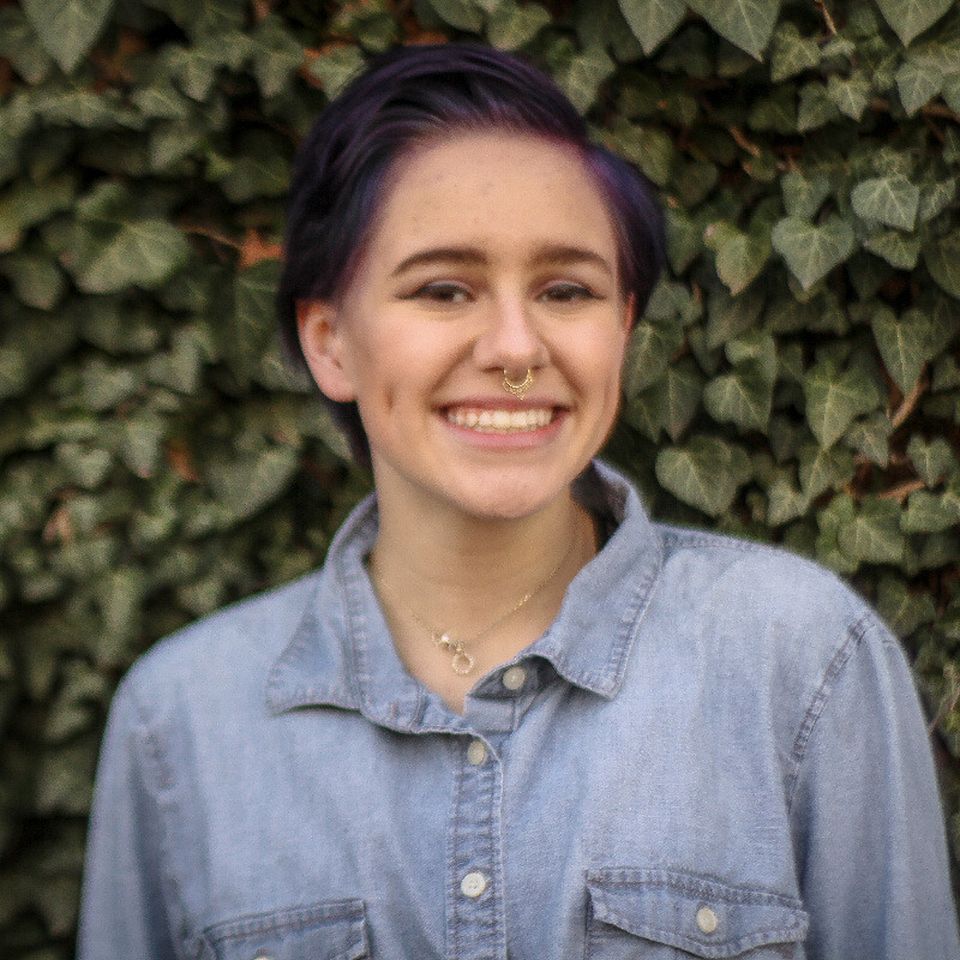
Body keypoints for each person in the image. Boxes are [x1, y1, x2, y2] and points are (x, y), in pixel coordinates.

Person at [78, 44, 959, 959]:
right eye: (444, 289)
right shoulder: (180, 722)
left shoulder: (803, 661)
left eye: (566, 290)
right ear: (330, 341)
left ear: (622, 326)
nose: (515, 347)